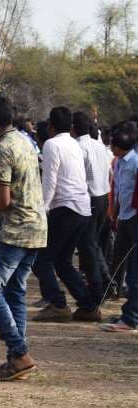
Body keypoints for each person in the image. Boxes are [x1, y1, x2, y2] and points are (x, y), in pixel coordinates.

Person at [0, 92, 46, 382]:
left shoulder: (4, 149)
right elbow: (6, 165)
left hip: (16, 228)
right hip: (37, 226)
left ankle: (20, 351)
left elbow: (2, 199)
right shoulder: (22, 140)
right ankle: (16, 361)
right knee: (14, 290)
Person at [32, 106, 98, 322]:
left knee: (41, 259)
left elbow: (50, 180)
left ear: (50, 126)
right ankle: (88, 305)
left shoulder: (52, 144)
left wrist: (42, 209)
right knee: (62, 261)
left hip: (65, 207)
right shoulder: (73, 143)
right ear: (70, 126)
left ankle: (58, 304)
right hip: (82, 206)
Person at [72, 110, 113, 307]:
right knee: (93, 244)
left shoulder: (78, 148)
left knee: (88, 246)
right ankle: (106, 281)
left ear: (72, 128)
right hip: (103, 196)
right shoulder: (100, 146)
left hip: (90, 199)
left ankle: (101, 284)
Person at [100, 127, 138, 333]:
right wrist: (113, 212)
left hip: (134, 217)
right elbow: (119, 189)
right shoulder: (120, 162)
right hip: (124, 216)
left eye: (112, 143)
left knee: (134, 271)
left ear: (118, 146)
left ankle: (131, 318)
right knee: (121, 262)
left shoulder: (135, 162)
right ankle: (128, 313)